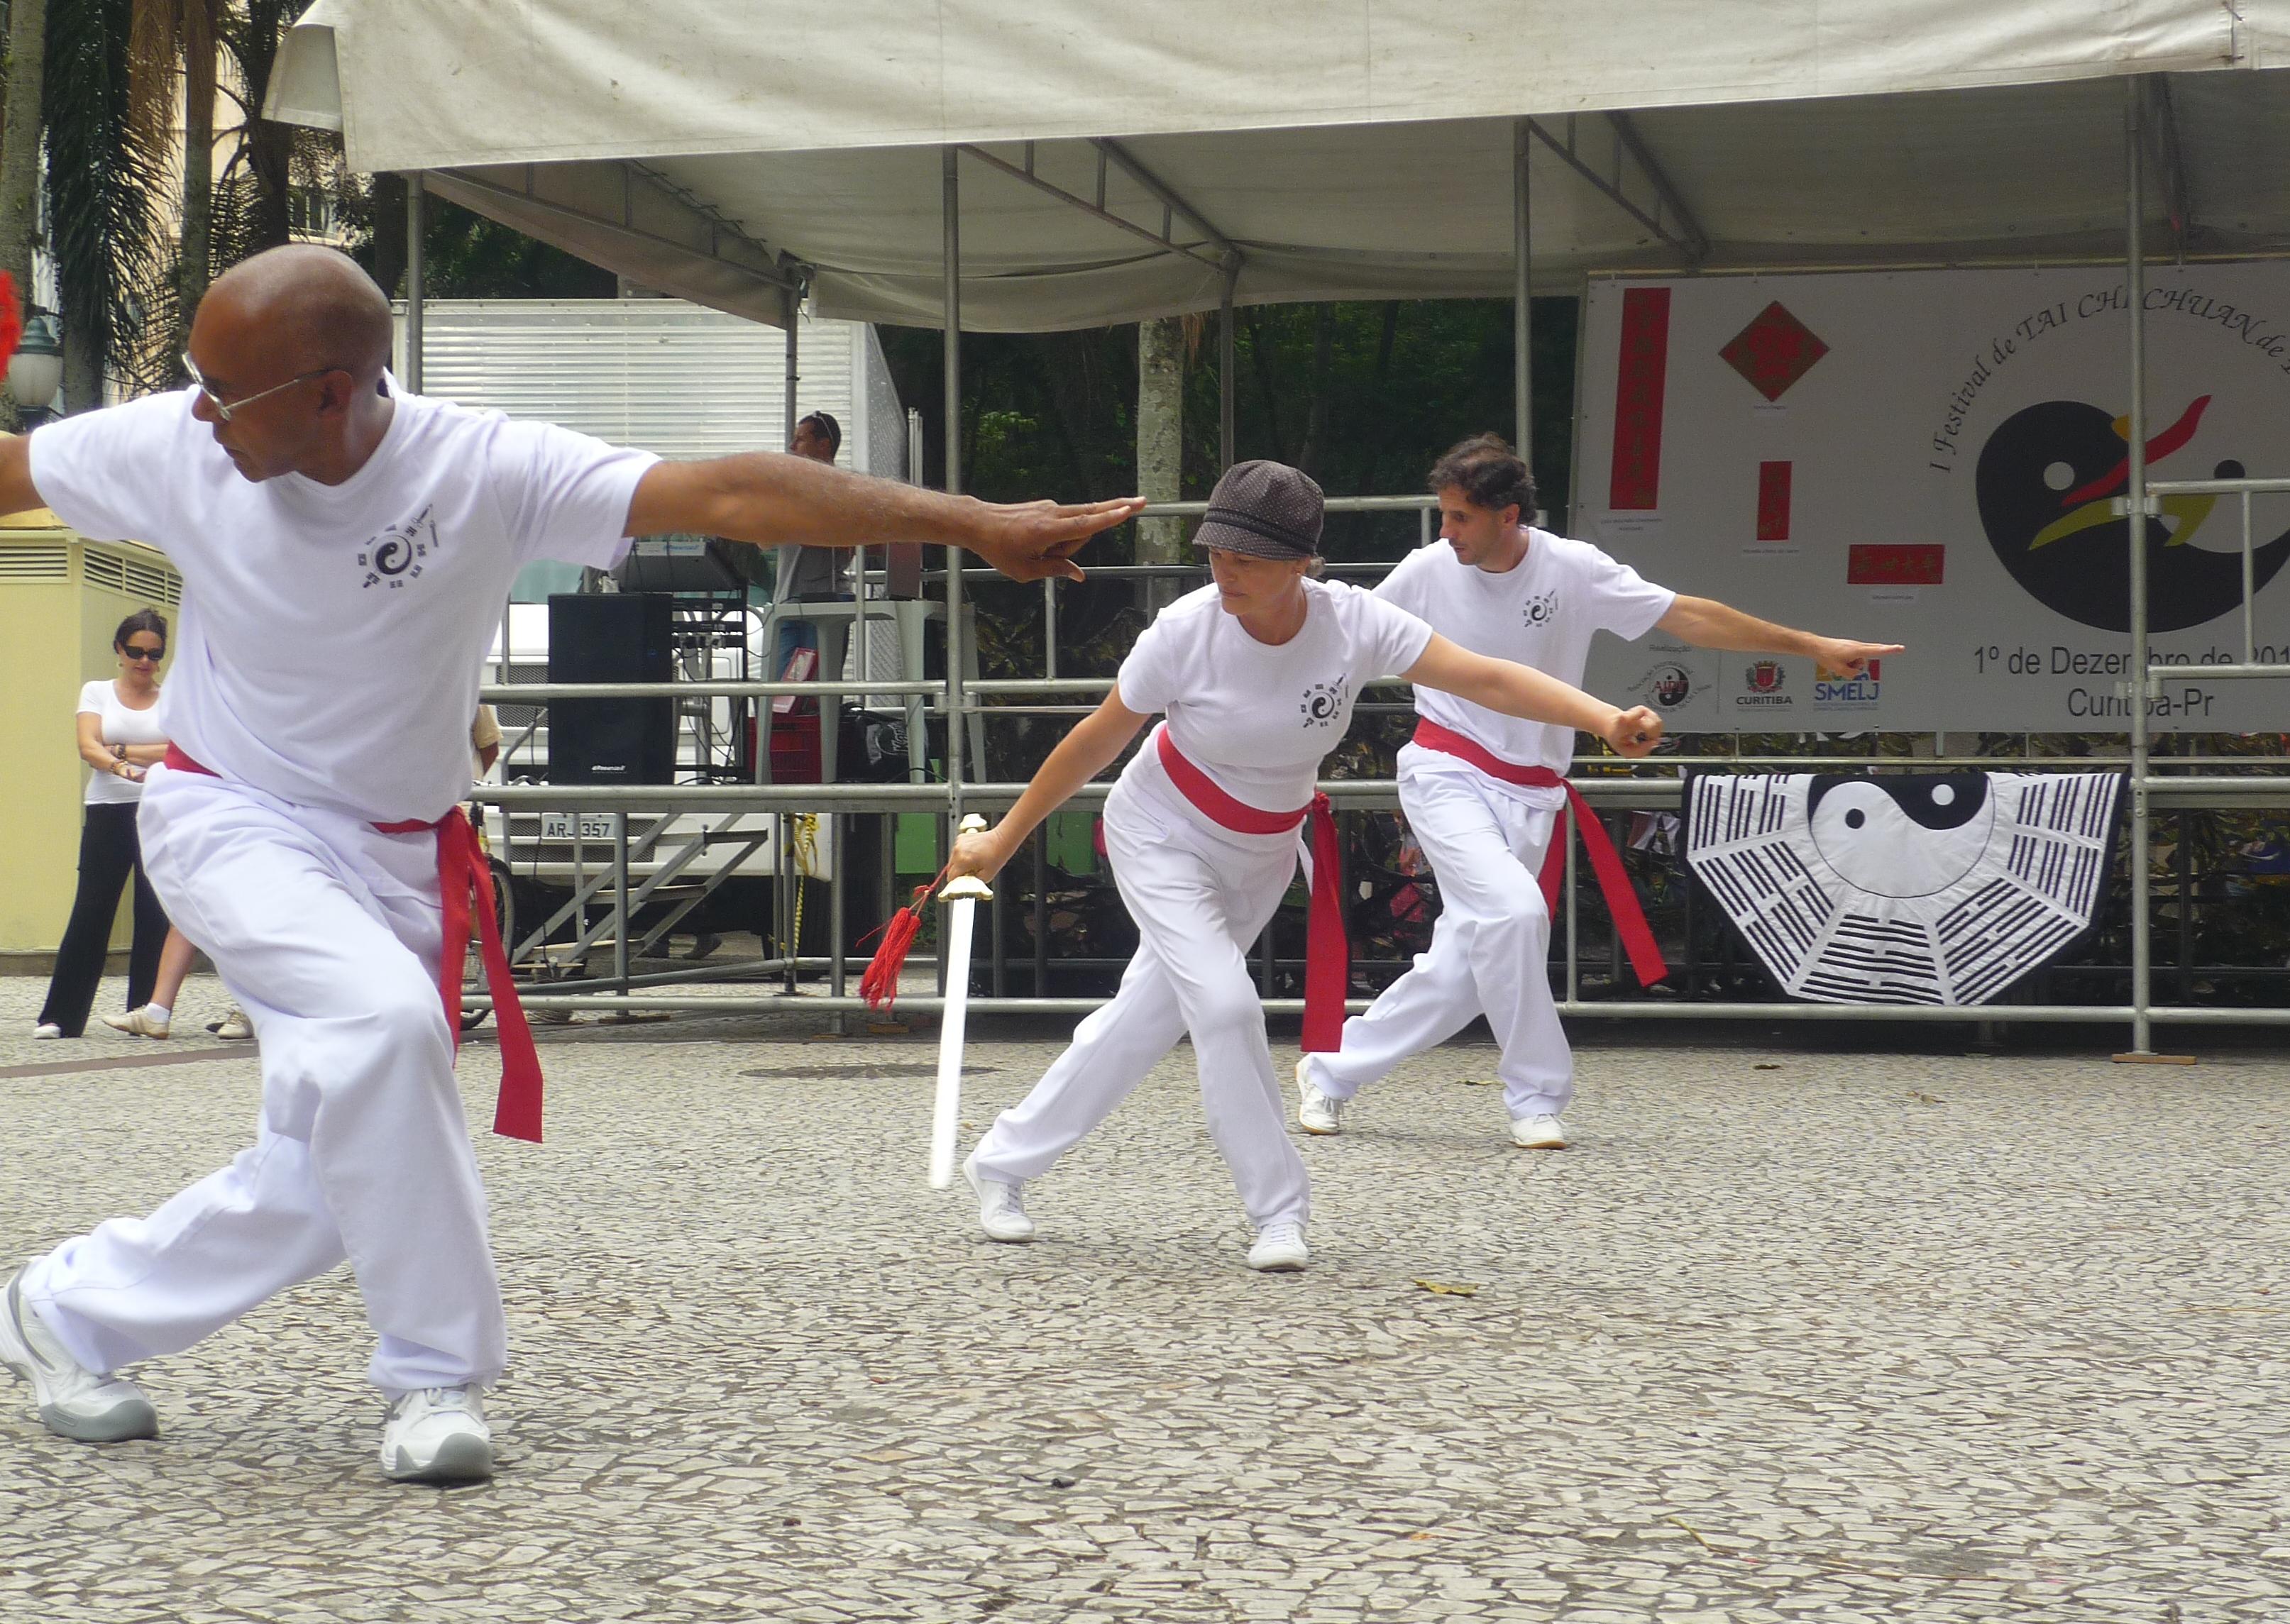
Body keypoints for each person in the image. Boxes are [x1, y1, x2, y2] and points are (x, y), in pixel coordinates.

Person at [0, 244, 1140, 1483]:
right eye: (195, 380)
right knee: (384, 1031)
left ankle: (61, 1310)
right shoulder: (178, 441)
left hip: (400, 851)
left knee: (337, 1170)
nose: (200, 408)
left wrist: (973, 522)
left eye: (227, 387)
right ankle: (436, 1374)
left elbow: (737, 496)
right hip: (230, 813)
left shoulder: (481, 467)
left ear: (334, 389)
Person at [947, 461, 1662, 1274]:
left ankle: (1002, 1162)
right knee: (1222, 1006)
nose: (1224, 571)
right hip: (1160, 833)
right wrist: (1001, 840)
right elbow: (1099, 737)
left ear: (1301, 563)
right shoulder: (1185, 630)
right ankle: (1278, 1211)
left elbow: (1488, 678)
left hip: (1259, 854)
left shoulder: (1356, 622)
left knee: (1144, 1018)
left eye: (1246, 558)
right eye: (1216, 552)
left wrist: (1603, 718)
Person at [1294, 434, 1903, 1149]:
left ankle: (1329, 1072)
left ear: (1508, 516)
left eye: (1459, 517)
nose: (1445, 532)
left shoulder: (1571, 569)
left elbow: (1687, 615)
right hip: (1443, 772)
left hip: (1534, 792)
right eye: (1444, 516)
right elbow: (1344, 635)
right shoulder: (1427, 570)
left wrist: (1809, 646)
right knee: (1515, 915)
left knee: (1465, 966)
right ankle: (1535, 1096)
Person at [33, 612, 177, 1040]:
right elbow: (87, 746)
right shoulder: (97, 691)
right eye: (136, 651)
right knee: (92, 909)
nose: (144, 661)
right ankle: (60, 1016)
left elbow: (180, 749)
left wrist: (120, 748)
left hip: (160, 809)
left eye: (154, 654)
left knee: (154, 912)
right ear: (119, 649)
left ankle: (143, 1012)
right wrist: (125, 766)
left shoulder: (171, 698)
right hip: (108, 808)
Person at [771, 410, 847, 677]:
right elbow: (762, 540)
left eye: (800, 440)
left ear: (824, 445)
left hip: (824, 601)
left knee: (817, 691)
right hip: (786, 601)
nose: (792, 448)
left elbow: (845, 540)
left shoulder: (843, 488)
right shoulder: (792, 489)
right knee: (782, 694)